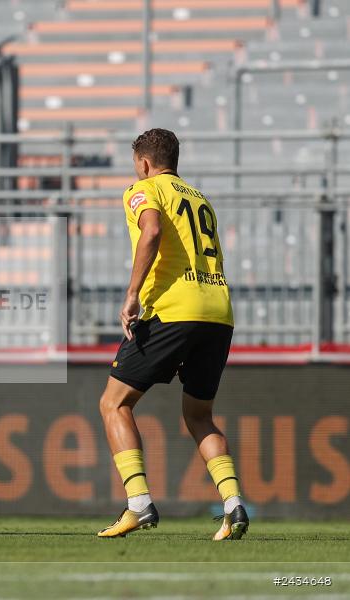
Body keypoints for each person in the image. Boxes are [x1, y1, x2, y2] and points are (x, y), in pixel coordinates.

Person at [97, 129, 247, 540]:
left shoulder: (143, 190)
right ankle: (233, 505)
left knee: (114, 403)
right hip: (218, 312)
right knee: (199, 415)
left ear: (144, 163)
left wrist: (132, 294)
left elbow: (151, 232)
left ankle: (138, 503)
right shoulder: (199, 198)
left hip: (172, 309)